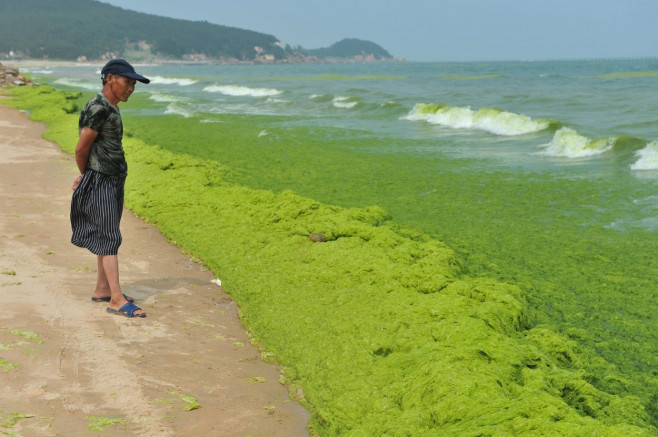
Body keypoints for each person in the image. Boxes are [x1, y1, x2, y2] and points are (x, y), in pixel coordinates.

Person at [70, 59, 150, 318]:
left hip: (112, 179)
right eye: (128, 82)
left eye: (134, 84)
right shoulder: (99, 108)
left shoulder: (110, 107)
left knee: (106, 235)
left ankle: (103, 288)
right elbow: (82, 148)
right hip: (101, 179)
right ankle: (116, 300)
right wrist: (87, 176)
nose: (131, 88)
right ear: (110, 78)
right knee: (109, 238)